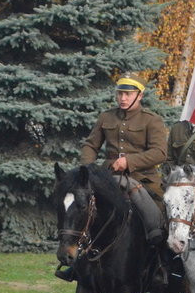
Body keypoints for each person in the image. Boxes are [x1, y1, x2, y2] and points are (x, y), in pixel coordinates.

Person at [56, 73, 169, 281]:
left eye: (128, 94)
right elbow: (91, 145)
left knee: (155, 217)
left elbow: (160, 152)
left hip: (143, 179)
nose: (123, 98)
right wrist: (88, 170)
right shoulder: (106, 117)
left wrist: (129, 162)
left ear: (140, 95)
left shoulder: (152, 120)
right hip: (109, 179)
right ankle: (78, 267)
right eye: (120, 94)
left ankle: (160, 265)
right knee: (88, 216)